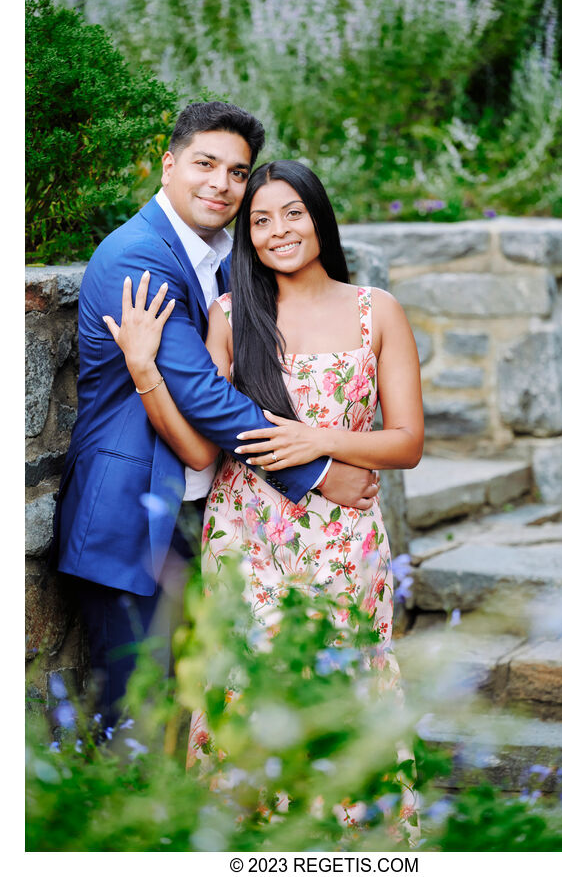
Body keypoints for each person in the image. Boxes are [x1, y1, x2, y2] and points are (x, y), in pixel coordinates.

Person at [51, 104, 380, 731]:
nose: (221, 184)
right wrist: (314, 472)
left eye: (237, 172)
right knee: (137, 719)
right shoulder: (139, 256)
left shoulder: (229, 256)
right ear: (169, 164)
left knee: (202, 712)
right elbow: (204, 394)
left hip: (209, 509)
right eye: (205, 164)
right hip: (133, 512)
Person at [104, 160, 425, 763]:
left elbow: (407, 441)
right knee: (247, 689)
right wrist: (145, 371)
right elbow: (201, 448)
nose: (278, 230)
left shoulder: (376, 310)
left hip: (342, 536)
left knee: (339, 684)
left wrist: (321, 441)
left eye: (293, 214)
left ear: (318, 219)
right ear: (247, 235)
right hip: (246, 535)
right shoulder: (230, 314)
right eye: (259, 220)